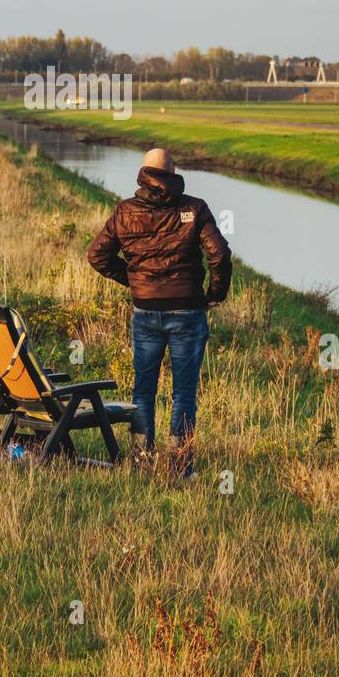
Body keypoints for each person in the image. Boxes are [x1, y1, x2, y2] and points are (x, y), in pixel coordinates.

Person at [87, 147, 231, 477]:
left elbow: (97, 256)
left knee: (143, 390)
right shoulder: (194, 208)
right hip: (188, 311)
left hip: (145, 311)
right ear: (174, 170)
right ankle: (181, 468)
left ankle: (140, 464)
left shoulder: (125, 211)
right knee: (184, 393)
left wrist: (136, 281)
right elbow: (219, 255)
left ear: (143, 172)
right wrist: (214, 294)